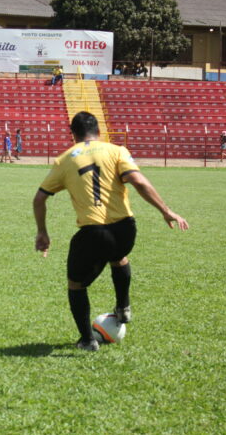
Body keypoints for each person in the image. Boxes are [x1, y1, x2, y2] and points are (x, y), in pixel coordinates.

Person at [32, 112, 189, 351]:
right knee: (119, 257)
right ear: (99, 131)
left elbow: (39, 198)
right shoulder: (117, 150)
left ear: (72, 133)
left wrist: (42, 232)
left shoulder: (65, 160)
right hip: (126, 231)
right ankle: (123, 306)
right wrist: (166, 211)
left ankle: (87, 340)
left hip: (93, 234)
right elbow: (139, 182)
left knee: (76, 285)